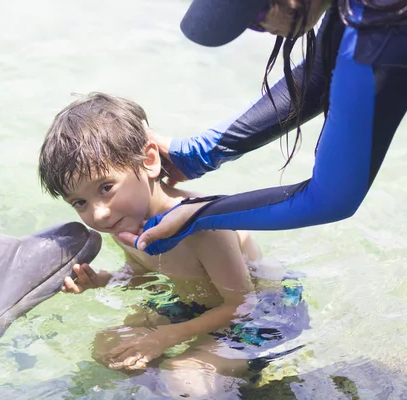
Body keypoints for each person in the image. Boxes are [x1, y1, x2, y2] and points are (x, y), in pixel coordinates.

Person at [38, 92, 309, 396]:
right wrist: (104, 280)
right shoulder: (123, 221)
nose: (98, 213)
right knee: (108, 346)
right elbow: (141, 274)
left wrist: (166, 337)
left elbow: (240, 304)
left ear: (150, 161)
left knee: (184, 376)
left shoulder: (203, 227)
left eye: (106, 187)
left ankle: (228, 382)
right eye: (80, 202)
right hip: (192, 305)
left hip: (259, 311)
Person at [114, 0, 407, 255]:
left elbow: (332, 200)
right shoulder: (363, 10)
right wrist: (198, 153)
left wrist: (198, 215)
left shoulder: (379, 33)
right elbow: (321, 74)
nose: (259, 29)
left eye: (255, 18)